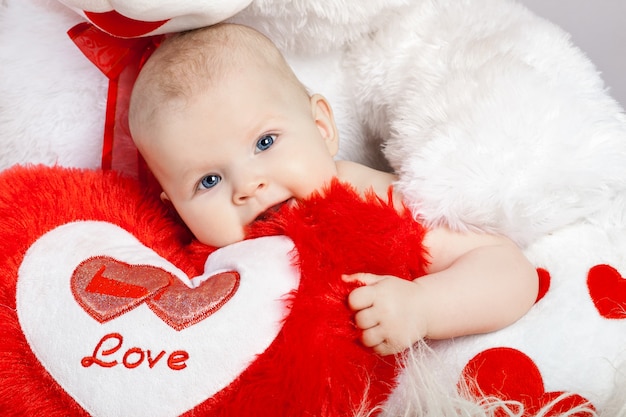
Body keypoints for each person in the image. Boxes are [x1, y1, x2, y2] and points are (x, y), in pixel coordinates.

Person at [128, 23, 538, 356]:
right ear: (175, 209)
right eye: (208, 181)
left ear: (321, 128)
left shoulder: (363, 196)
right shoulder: (195, 265)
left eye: (265, 142)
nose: (247, 186)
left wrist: (424, 307)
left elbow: (507, 269)